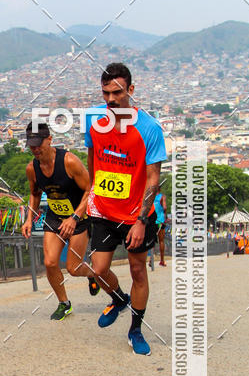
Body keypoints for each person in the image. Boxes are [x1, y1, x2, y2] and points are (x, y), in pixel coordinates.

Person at [84, 62, 167, 356]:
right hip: (104, 211)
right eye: (105, 92)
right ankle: (119, 299)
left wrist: (143, 219)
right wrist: (90, 201)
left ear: (130, 90)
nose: (110, 99)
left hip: (136, 215)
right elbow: (93, 165)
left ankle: (135, 330)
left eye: (117, 92)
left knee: (137, 271)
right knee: (99, 269)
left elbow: (154, 178)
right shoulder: (95, 123)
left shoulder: (149, 128)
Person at [21, 121, 99, 320]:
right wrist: (29, 218)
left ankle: (91, 274)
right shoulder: (32, 168)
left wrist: (74, 217)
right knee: (50, 262)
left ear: (50, 140)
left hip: (78, 217)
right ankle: (64, 303)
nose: (35, 148)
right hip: (55, 216)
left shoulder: (69, 161)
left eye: (39, 143)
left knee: (73, 268)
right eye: (31, 144)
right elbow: (35, 194)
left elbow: (90, 190)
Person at [154, 191, 168, 265]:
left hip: (152, 221)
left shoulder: (150, 196)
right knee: (161, 241)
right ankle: (162, 260)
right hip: (160, 220)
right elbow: (165, 207)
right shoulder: (162, 196)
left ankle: (151, 260)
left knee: (152, 240)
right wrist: (165, 215)